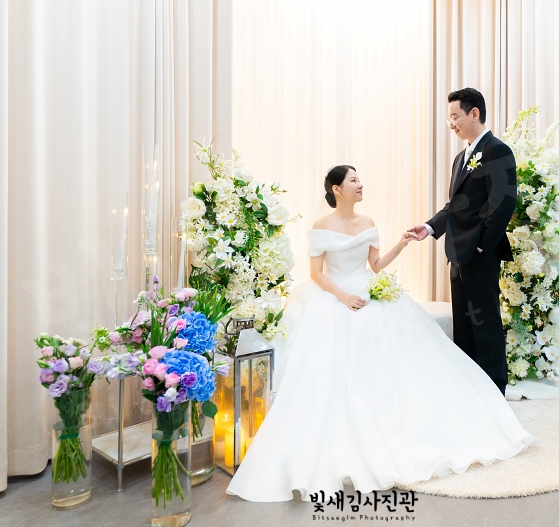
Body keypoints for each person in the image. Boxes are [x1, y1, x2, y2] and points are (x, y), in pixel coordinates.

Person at [225, 165, 532, 502]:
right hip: (333, 295)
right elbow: (316, 274)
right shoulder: (321, 225)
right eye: (353, 180)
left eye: (360, 179)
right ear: (337, 189)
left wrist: (400, 244)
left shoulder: (368, 222)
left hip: (366, 289)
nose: (360, 184)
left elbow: (375, 266)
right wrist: (343, 297)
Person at [408, 87, 518, 395]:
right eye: (449, 119)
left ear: (474, 113)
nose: (451, 124)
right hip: (457, 252)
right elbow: (455, 207)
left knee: (486, 324)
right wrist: (430, 227)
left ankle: (494, 390)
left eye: (455, 116)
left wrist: (482, 245)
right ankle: (470, 389)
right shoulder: (460, 158)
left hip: (480, 253)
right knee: (465, 325)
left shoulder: (498, 151)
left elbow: (503, 204)